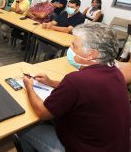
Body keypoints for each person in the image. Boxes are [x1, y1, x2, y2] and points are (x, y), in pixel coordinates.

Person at [16, 23, 130, 152]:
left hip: (82, 148)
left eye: (74, 46)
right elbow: (83, 90)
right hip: (113, 145)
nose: (70, 48)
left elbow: (43, 112)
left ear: (91, 54)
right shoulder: (115, 72)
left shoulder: (76, 80)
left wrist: (29, 87)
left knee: (23, 130)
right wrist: (51, 82)